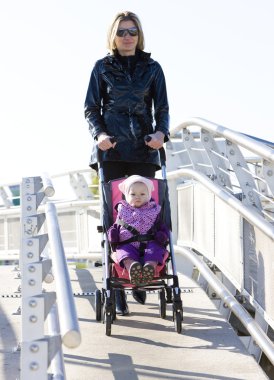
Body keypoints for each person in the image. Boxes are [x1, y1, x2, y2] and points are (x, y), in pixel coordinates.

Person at [84, 11, 170, 315]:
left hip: (144, 148)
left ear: (139, 34)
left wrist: (161, 133)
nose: (128, 36)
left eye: (133, 31)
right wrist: (99, 134)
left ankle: (147, 275)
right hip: (112, 148)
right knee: (115, 218)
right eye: (122, 32)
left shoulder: (152, 68)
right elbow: (91, 109)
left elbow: (162, 108)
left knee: (149, 212)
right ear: (113, 35)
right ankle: (119, 282)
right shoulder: (101, 68)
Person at [108, 175, 169, 285]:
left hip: (150, 242)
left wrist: (163, 235)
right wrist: (113, 234)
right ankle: (132, 267)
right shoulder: (122, 211)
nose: (138, 197)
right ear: (126, 195)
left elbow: (161, 227)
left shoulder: (154, 210)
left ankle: (149, 267)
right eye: (133, 194)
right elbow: (116, 226)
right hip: (127, 244)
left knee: (156, 250)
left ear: (149, 195)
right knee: (123, 253)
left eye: (142, 194)